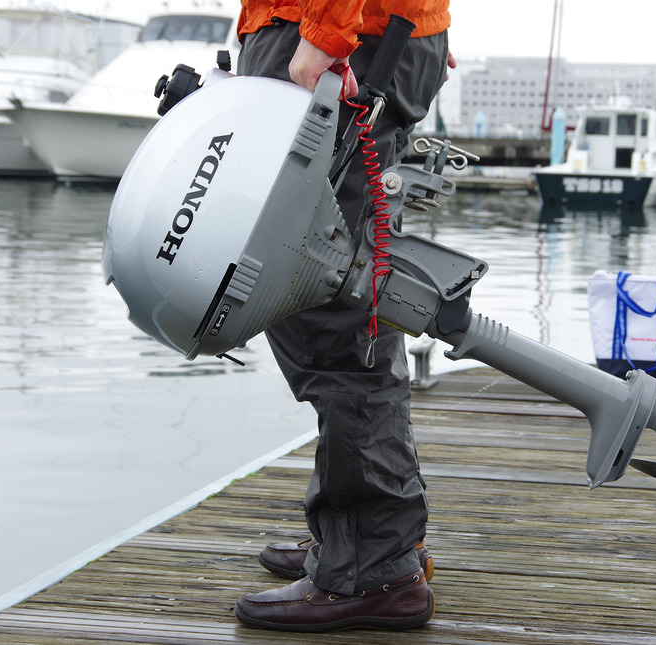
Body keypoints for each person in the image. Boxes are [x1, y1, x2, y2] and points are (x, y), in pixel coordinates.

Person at [231, 0, 453, 633]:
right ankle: (366, 536)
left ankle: (372, 566)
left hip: (343, 36)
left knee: (325, 308)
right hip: (374, 34)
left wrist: (328, 34)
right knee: (351, 292)